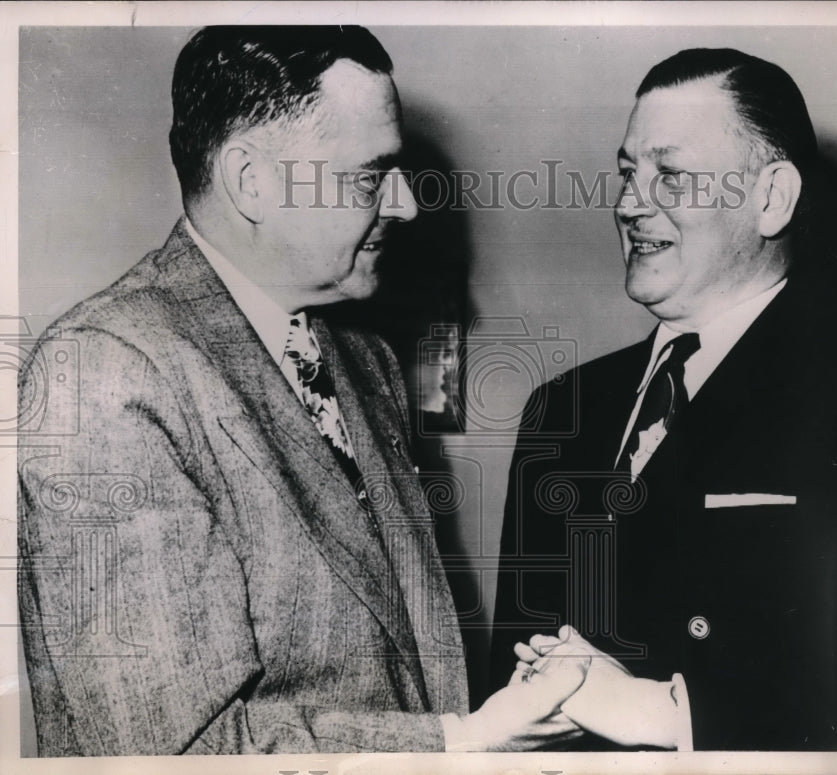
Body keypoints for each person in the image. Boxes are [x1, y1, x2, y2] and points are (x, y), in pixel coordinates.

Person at [17, 25, 589, 756]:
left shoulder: (363, 357)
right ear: (251, 180)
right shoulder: (103, 373)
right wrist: (462, 741)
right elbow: (173, 751)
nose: (407, 204)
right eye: (368, 175)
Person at [490, 48, 837, 752]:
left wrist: (662, 709)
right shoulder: (561, 408)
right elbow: (509, 683)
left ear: (771, 198)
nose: (629, 204)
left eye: (670, 176)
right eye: (628, 172)